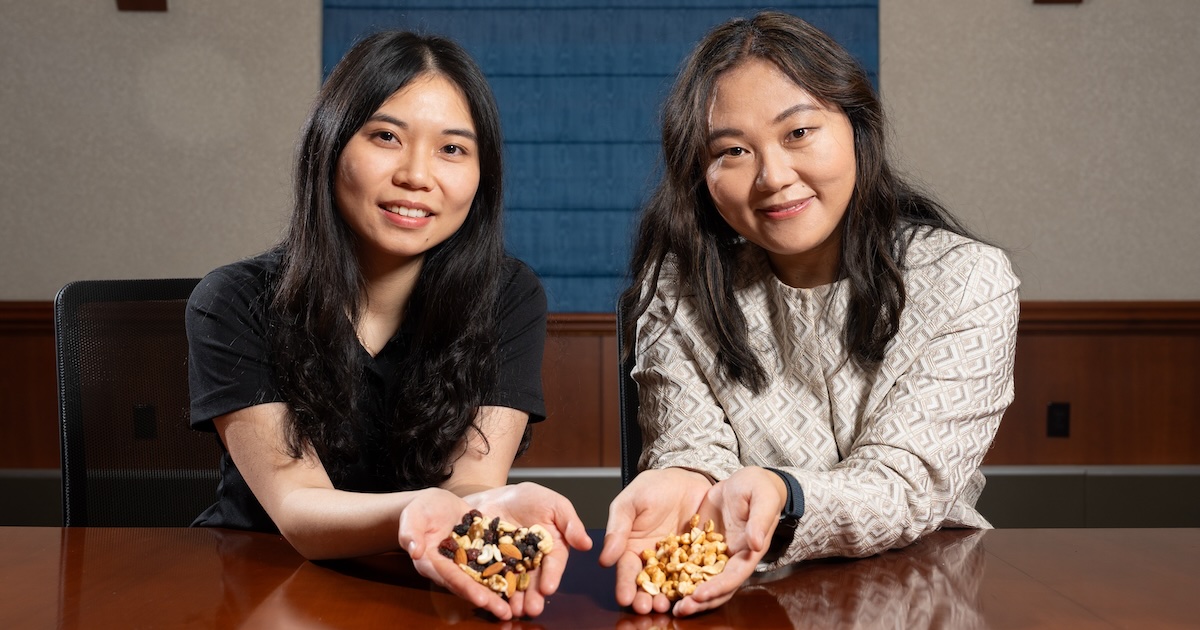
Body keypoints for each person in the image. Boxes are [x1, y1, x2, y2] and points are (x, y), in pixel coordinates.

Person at [600, 11, 1019, 617]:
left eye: (798, 133)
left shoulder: (965, 277)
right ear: (701, 173)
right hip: (741, 598)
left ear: (856, 127)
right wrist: (686, 477)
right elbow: (692, 448)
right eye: (734, 151)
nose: (773, 177)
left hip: (926, 590)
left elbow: (907, 484)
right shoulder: (678, 284)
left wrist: (782, 493)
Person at [185, 30, 591, 621]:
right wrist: (418, 510)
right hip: (261, 582)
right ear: (329, 145)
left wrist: (490, 505)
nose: (417, 176)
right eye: (385, 137)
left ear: (483, 175)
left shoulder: (507, 295)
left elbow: (473, 483)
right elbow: (298, 507)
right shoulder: (234, 300)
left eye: (453, 149)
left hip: (423, 586)